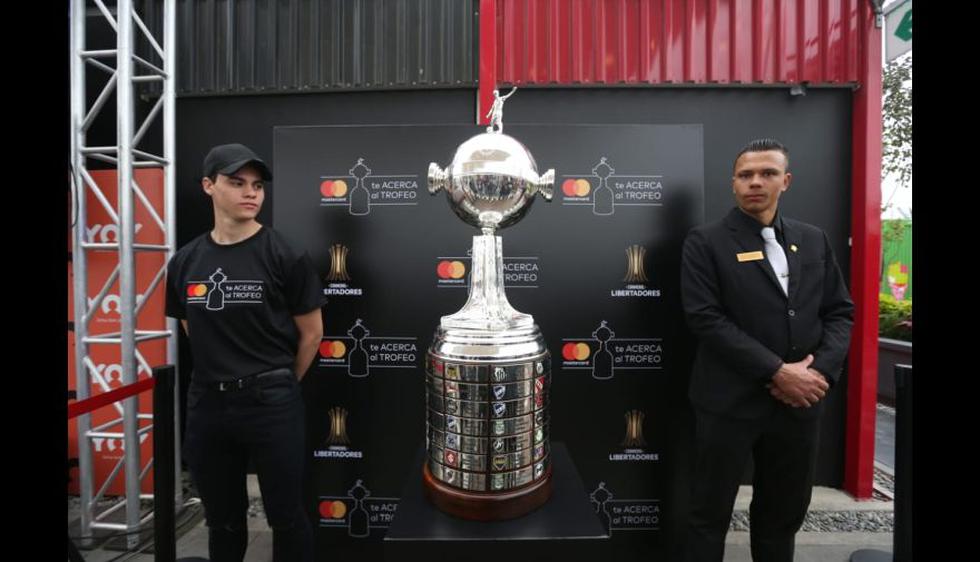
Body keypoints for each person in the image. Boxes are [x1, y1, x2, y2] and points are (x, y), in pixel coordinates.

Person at [680, 138, 854, 562]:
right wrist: (778, 372)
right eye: (746, 175)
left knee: (782, 516)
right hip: (728, 404)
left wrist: (818, 374)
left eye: (767, 173)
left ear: (785, 181)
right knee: (707, 515)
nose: (755, 182)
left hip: (799, 405)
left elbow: (839, 313)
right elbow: (705, 318)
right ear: (733, 183)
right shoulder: (706, 242)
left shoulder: (813, 240)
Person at [166, 143, 324, 562]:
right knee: (222, 521)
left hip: (271, 402)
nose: (251, 192)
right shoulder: (184, 262)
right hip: (208, 404)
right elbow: (191, 328)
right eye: (237, 183)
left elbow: (312, 334)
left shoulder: (284, 254)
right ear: (208, 186)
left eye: (257, 185)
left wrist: (277, 381)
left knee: (286, 518)